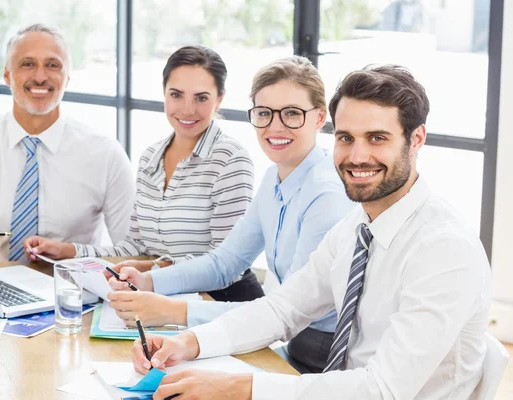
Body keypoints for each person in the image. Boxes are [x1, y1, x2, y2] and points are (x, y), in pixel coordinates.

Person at [128, 65, 491, 400]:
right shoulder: (358, 227)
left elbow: (382, 389)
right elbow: (283, 309)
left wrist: (240, 387)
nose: (357, 156)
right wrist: (188, 342)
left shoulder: (444, 249)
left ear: (416, 139)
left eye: (377, 138)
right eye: (346, 138)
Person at [106, 56, 354, 373]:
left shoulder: (326, 194)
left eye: (291, 113)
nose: (275, 126)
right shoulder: (275, 179)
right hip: (290, 341)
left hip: (322, 355)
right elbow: (225, 262)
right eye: (264, 113)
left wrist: (173, 310)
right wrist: (150, 280)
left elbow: (287, 313)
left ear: (320, 117)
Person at [25, 45, 264, 302]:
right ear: (164, 93)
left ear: (220, 98)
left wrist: (154, 269)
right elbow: (136, 248)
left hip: (222, 301)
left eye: (201, 98)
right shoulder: (151, 158)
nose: (187, 109)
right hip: (164, 299)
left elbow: (225, 264)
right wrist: (68, 250)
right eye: (176, 95)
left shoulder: (230, 160)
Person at [0, 24, 135, 262]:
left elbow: (132, 252)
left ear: (67, 77)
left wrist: (74, 252)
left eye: (52, 65)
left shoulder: (105, 154)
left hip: (74, 291)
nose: (39, 76)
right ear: (7, 75)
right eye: (27, 64)